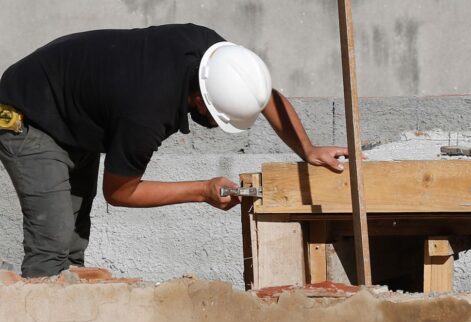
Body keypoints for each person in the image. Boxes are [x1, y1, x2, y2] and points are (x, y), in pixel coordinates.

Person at [0, 23, 348, 278]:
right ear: (200, 99)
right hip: (29, 116)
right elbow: (120, 192)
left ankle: (67, 318)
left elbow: (263, 93)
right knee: (52, 244)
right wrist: (201, 191)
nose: (216, 125)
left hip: (76, 109)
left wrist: (308, 149)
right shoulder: (146, 114)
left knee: (73, 242)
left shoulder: (212, 55)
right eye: (217, 118)